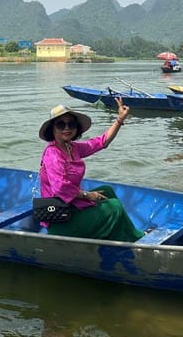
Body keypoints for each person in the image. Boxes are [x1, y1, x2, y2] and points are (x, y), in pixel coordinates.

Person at [37, 98, 144, 242]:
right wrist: (87, 195)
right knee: (114, 207)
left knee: (107, 190)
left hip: (71, 206)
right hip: (60, 219)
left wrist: (119, 119)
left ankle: (127, 232)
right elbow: (60, 188)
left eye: (71, 124)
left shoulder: (72, 148)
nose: (66, 128)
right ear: (53, 129)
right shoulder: (53, 154)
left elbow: (101, 142)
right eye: (61, 125)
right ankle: (135, 238)